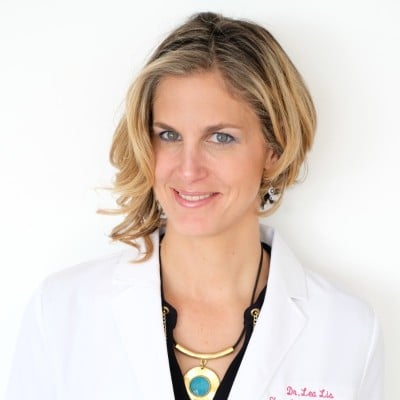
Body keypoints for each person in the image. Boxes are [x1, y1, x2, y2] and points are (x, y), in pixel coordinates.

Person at [7, 12, 383, 400]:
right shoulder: (61, 312)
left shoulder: (349, 331)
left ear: (275, 148)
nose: (188, 170)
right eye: (169, 135)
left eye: (221, 138)